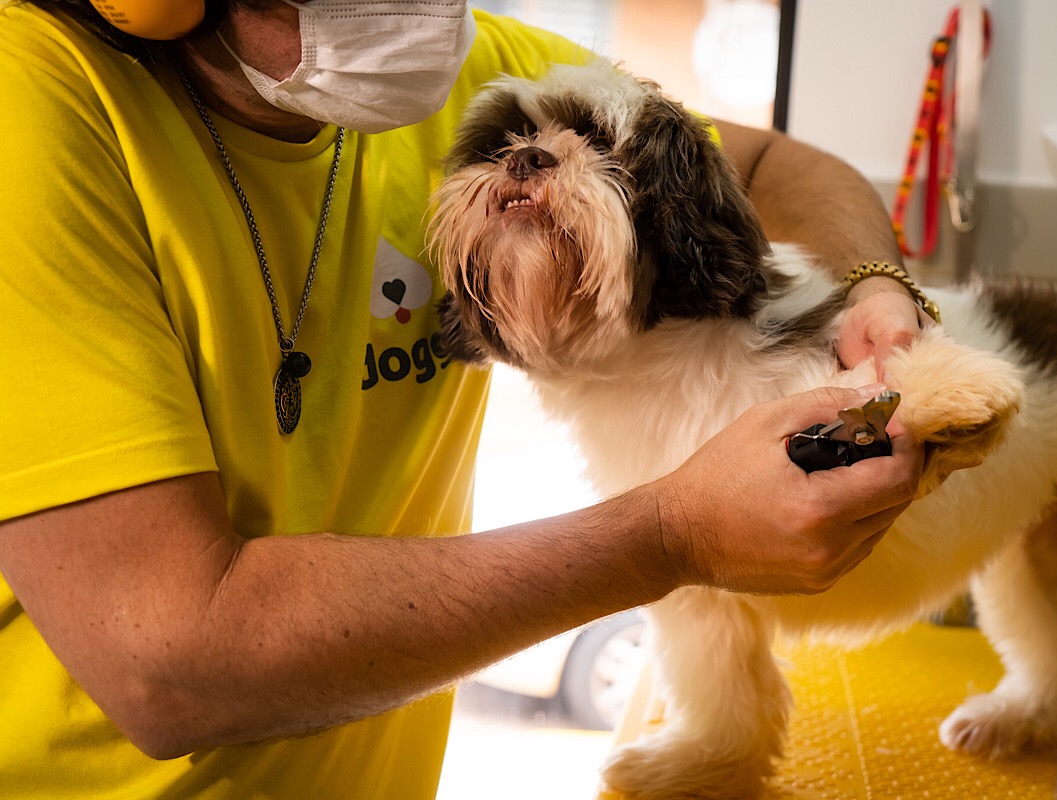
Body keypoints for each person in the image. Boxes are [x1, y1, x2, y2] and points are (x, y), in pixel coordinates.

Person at [0, 1, 931, 797]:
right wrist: (672, 535)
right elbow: (169, 662)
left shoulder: (483, 67)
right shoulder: (33, 106)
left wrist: (876, 288)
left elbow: (770, 170)